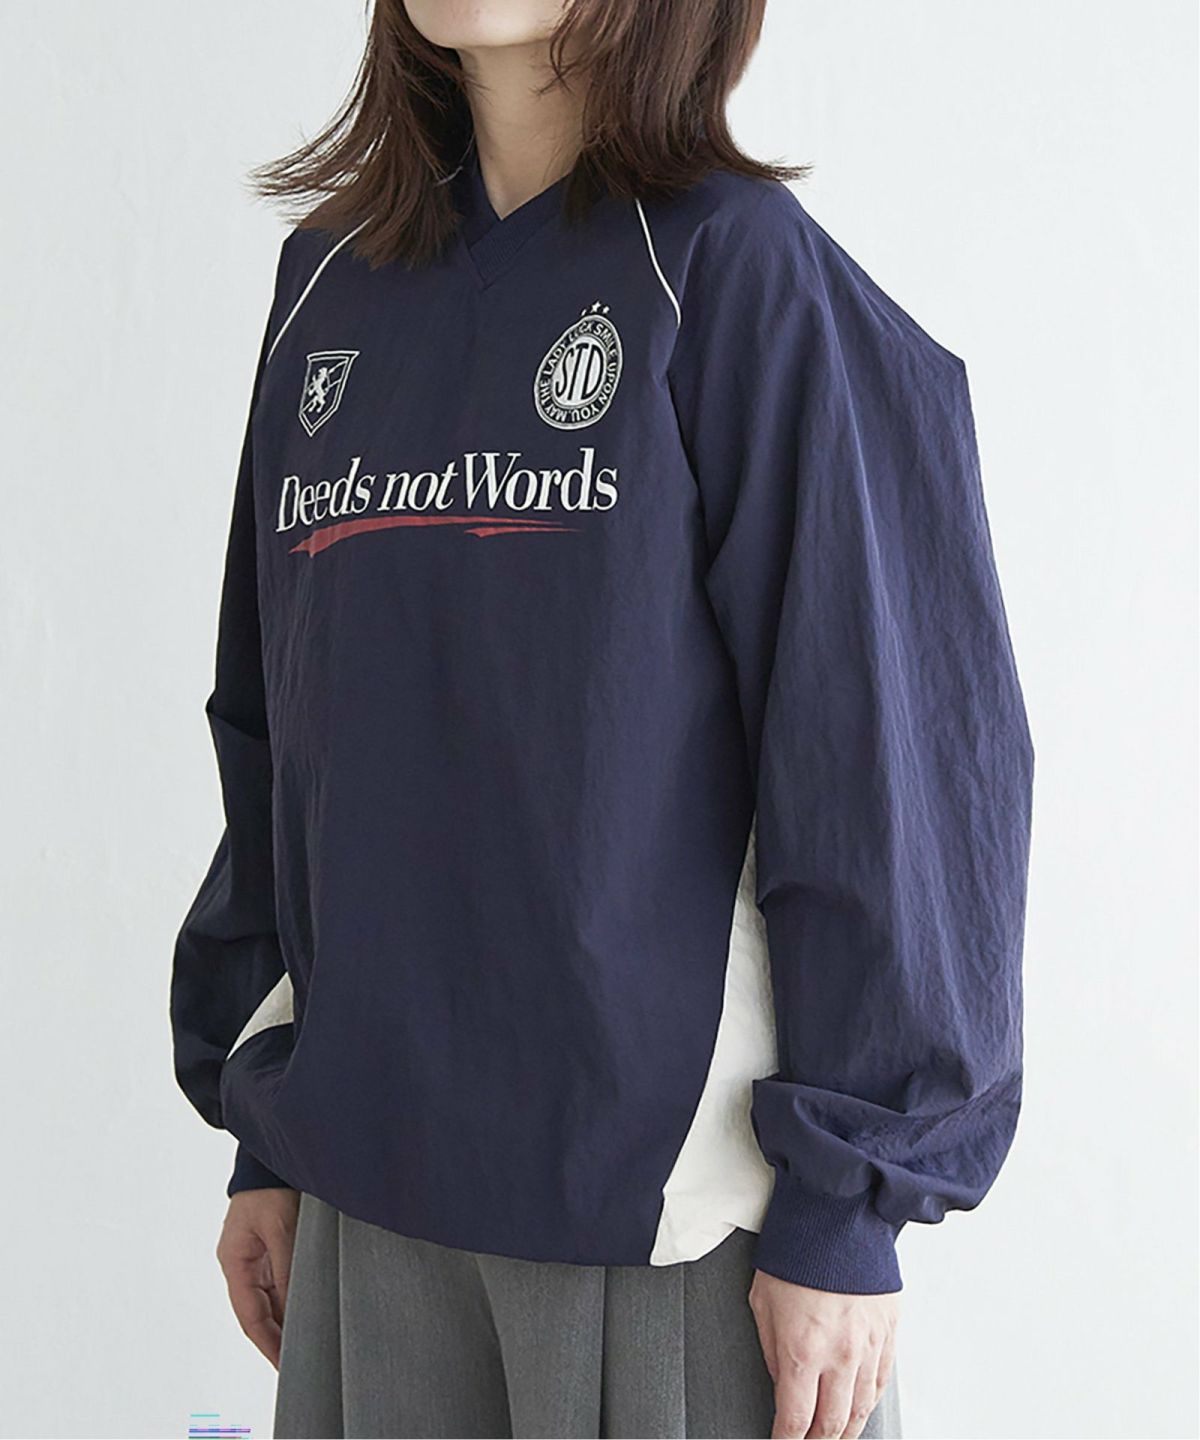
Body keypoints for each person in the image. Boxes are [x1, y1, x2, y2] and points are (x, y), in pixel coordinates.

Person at [169, 2, 1035, 1437]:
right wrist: (265, 1130)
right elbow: (276, 734)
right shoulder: (328, 283)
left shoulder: (735, 270)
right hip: (363, 1202)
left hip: (666, 1222)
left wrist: (847, 1205)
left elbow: (888, 756)